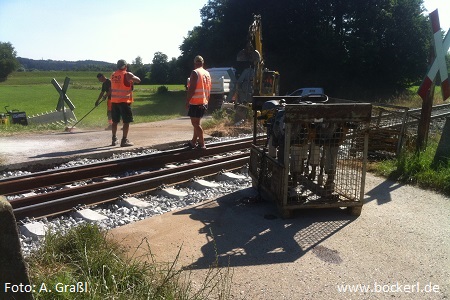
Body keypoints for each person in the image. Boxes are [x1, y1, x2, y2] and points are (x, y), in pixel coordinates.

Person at [109, 59, 141, 147]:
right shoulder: (127, 74)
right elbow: (138, 80)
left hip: (114, 101)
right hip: (123, 102)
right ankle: (124, 141)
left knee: (114, 121)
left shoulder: (113, 75)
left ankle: (114, 139)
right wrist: (131, 76)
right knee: (126, 122)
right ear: (125, 66)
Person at [186, 55, 211, 150]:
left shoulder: (195, 72)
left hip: (196, 102)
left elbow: (192, 89)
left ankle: (202, 144)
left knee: (195, 124)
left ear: (195, 63)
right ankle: (193, 142)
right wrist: (207, 101)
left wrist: (187, 101)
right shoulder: (207, 73)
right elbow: (209, 88)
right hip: (204, 101)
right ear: (202, 63)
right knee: (197, 123)